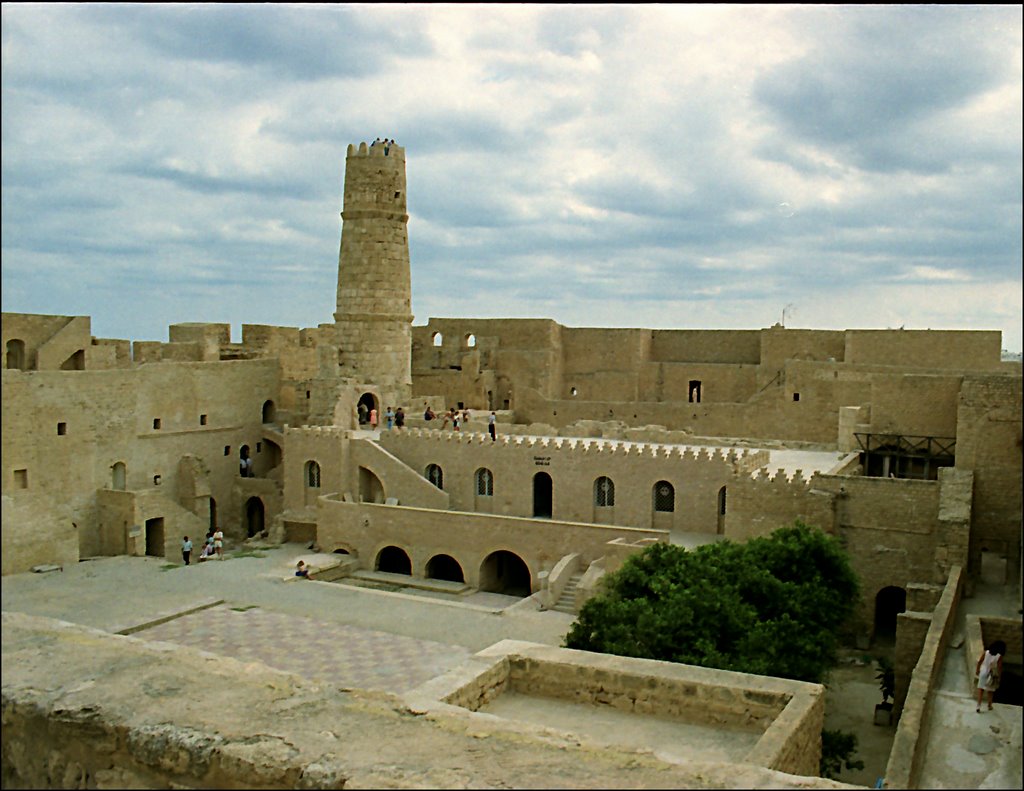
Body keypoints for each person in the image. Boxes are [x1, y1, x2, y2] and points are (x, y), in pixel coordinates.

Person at [976, 640, 1005, 712]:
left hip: (983, 671)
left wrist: (977, 670)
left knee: (981, 689)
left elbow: (980, 661)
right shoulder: (999, 656)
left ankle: (978, 705)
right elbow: (999, 667)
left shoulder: (986, 653)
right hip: (991, 674)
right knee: (990, 690)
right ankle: (989, 705)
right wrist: (999, 677)